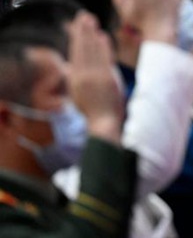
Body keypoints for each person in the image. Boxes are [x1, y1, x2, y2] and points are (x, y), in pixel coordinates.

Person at [0, 12, 138, 237]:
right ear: (6, 118)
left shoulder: (38, 192)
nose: (79, 101)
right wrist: (103, 121)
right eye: (60, 91)